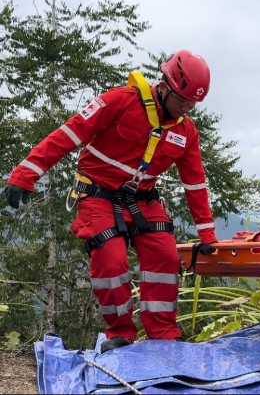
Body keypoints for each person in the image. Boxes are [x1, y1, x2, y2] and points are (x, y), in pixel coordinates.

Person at [4, 50, 218, 353]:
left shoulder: (185, 131)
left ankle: (164, 334)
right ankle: (120, 333)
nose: (187, 108)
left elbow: (195, 184)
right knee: (111, 261)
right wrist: (27, 172)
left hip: (142, 200)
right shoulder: (119, 101)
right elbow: (69, 134)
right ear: (166, 85)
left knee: (165, 257)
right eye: (182, 99)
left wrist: (207, 234)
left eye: (193, 103)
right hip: (97, 195)